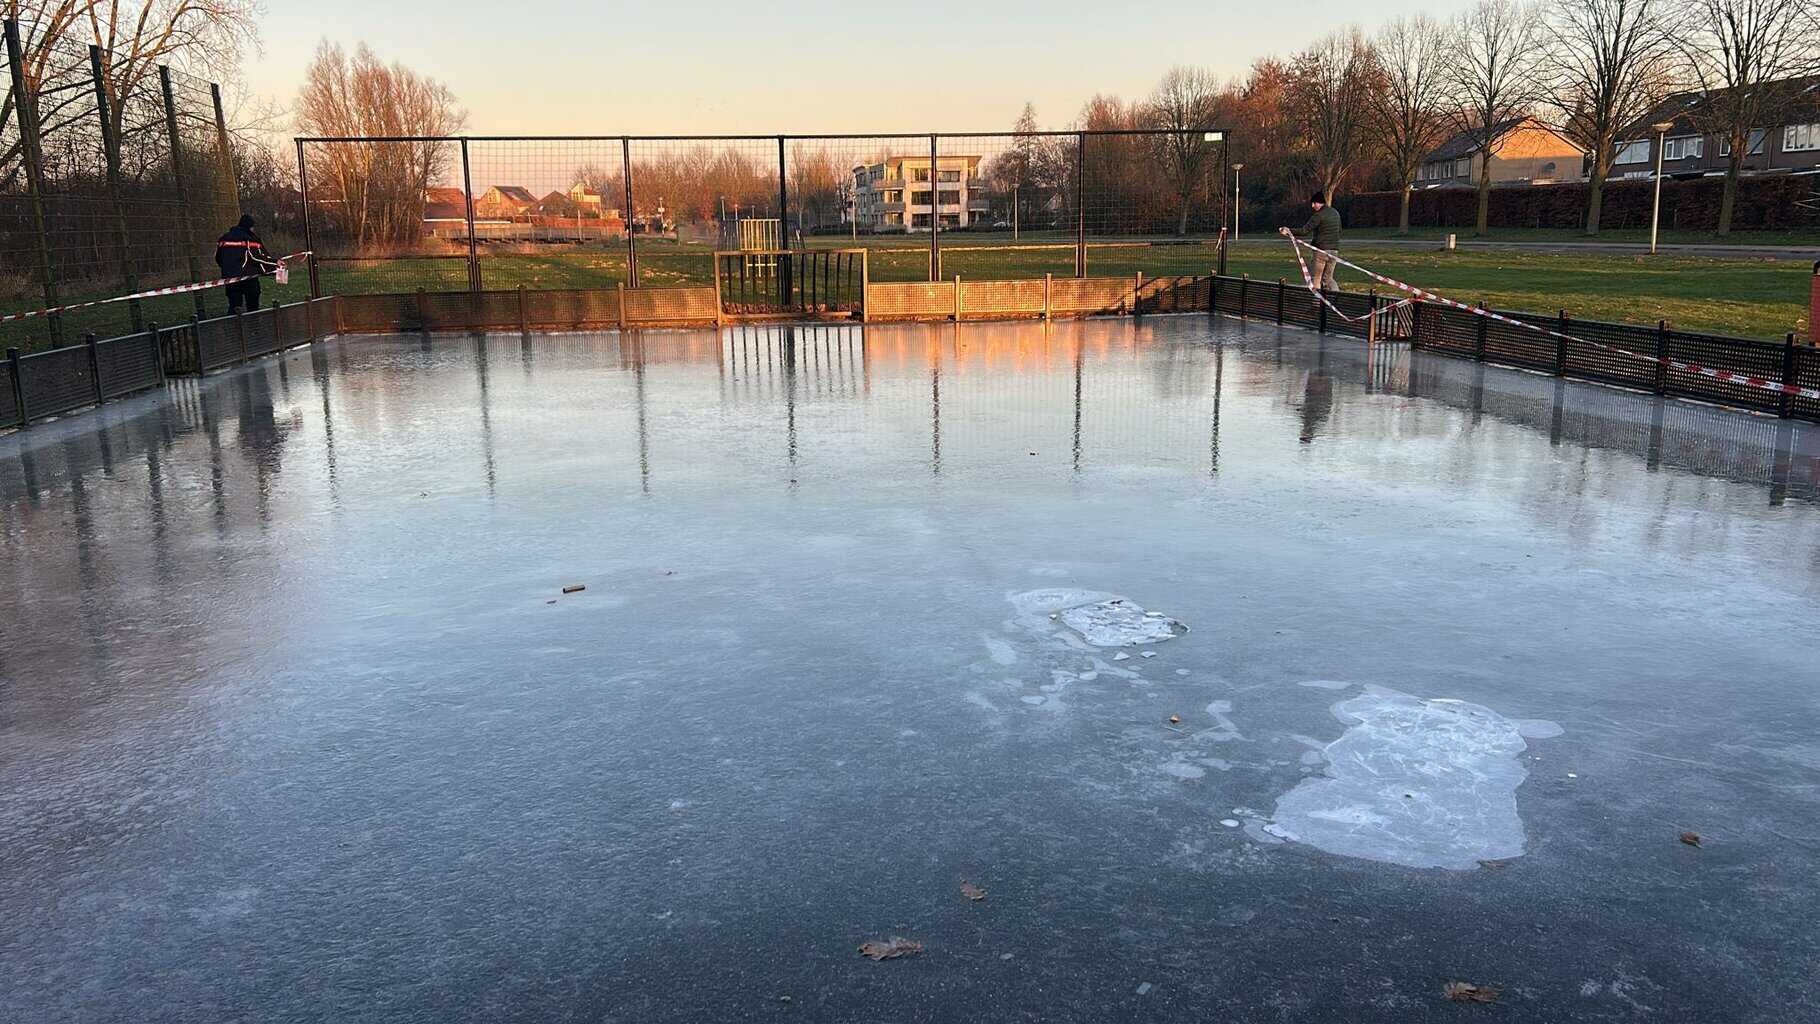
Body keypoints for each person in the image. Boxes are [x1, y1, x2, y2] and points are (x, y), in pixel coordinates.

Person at [1279, 191, 1342, 294]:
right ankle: (1337, 298)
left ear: (1320, 203)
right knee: (1328, 279)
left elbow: (1304, 231)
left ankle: (1316, 304)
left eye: (1314, 203)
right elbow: (1339, 230)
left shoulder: (1318, 216)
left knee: (1316, 278)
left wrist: (1288, 231)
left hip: (1320, 251)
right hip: (1334, 251)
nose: (1312, 206)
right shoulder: (1335, 213)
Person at [215, 214, 271, 313]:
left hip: (230, 279)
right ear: (250, 227)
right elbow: (259, 257)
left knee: (234, 307)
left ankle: (234, 327)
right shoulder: (251, 239)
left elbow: (219, 258)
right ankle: (253, 326)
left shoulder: (224, 239)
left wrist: (228, 269)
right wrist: (275, 265)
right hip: (249, 278)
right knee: (253, 308)